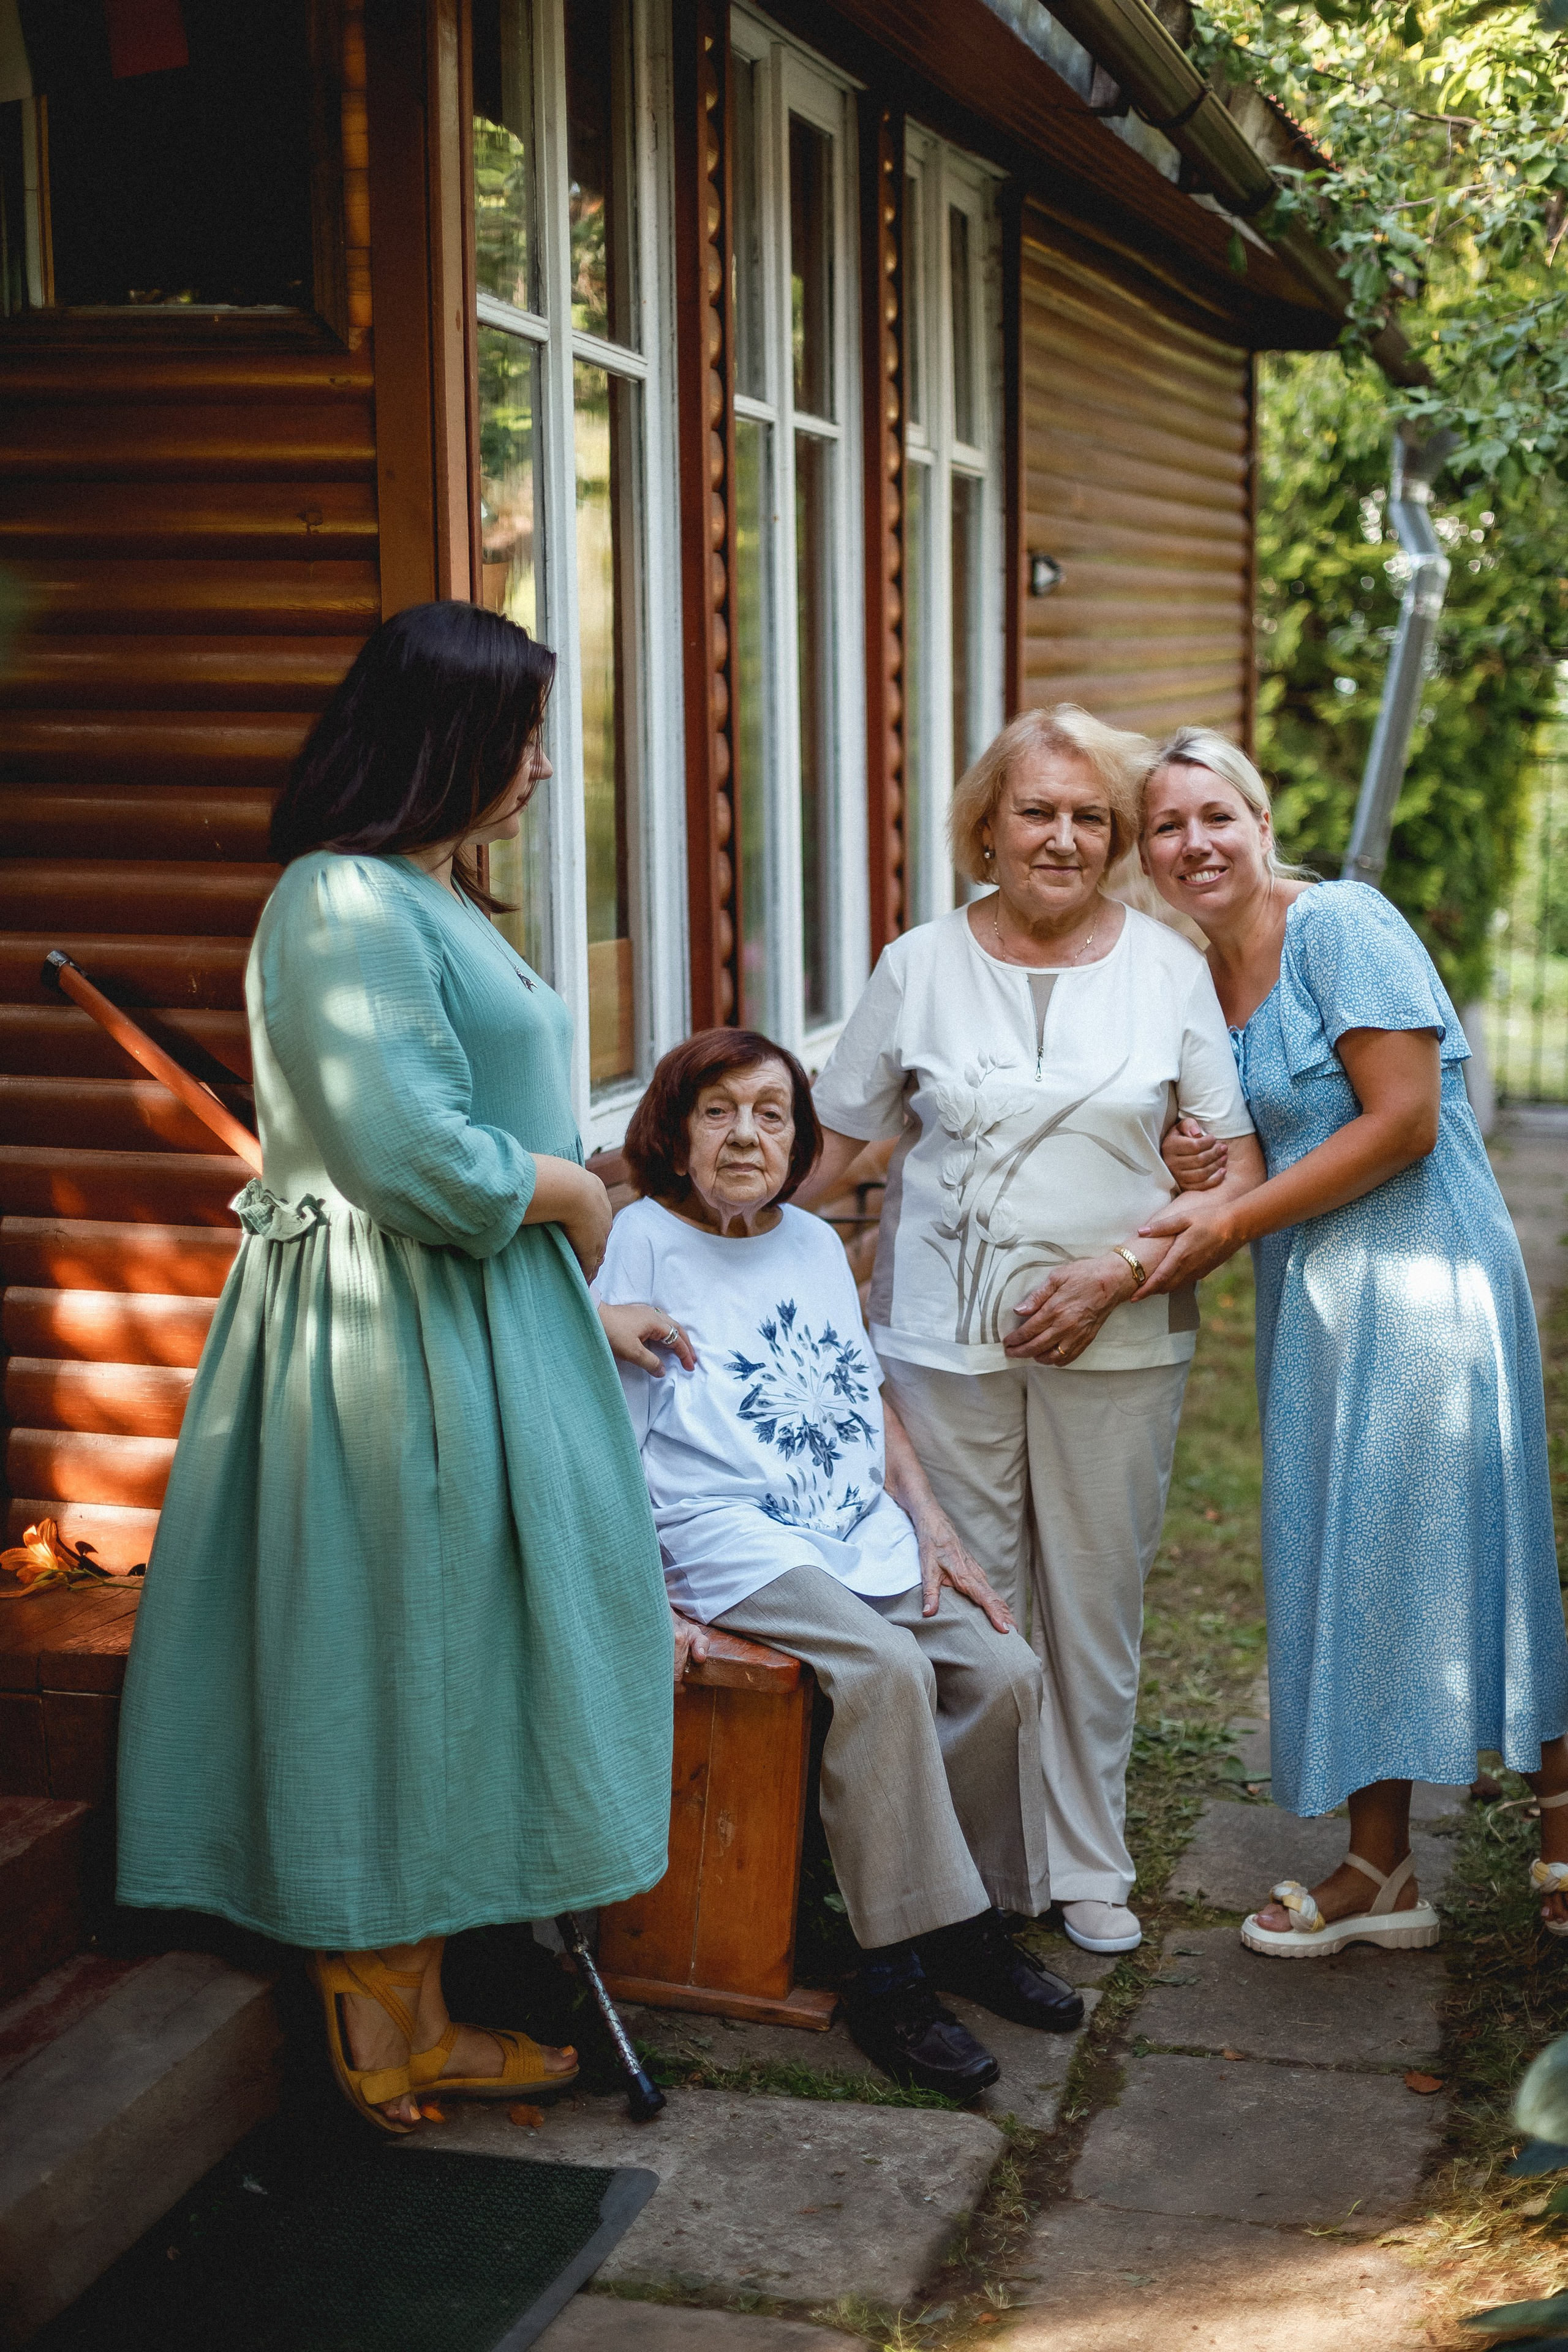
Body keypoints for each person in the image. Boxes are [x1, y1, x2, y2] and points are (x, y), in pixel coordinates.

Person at [116, 603, 680, 2129]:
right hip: (392, 1336)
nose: (545, 768)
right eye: (519, 739)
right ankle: (382, 2025)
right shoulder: (340, 903)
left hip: (473, 1321)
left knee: (453, 1655)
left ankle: (420, 2011)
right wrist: (576, 1193)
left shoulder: (420, 894)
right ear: (442, 743)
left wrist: (579, 1282)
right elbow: (412, 1158)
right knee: (394, 1651)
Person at [797, 705, 1264, 1957]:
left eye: (1088, 819)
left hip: (1121, 1336)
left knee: (1094, 1610)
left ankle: (1083, 1862)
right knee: (972, 1610)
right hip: (939, 1341)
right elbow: (839, 1135)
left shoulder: (1165, 970)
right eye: (1035, 812)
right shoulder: (917, 965)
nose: (1061, 837)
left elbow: (1228, 1169)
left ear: (1112, 841)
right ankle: (971, 1882)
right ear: (986, 828)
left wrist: (1111, 1275)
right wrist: (715, 1226)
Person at [594, 1027, 1087, 2097]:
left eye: (771, 1115)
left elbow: (867, 1398)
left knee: (1004, 1671)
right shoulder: (639, 1238)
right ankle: (891, 1969)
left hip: (848, 1524)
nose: (746, 1136)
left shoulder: (814, 1245)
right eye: (719, 1111)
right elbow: (612, 1429)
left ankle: (974, 1927)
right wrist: (642, 1594)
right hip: (726, 1533)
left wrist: (933, 1527)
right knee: (884, 1672)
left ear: (799, 1140)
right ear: (675, 1134)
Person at [1139, 726, 1568, 1956]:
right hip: (1317, 1292)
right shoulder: (1196, 981)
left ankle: (1555, 1813)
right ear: (1149, 860)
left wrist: (1223, 1218)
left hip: (1425, 1273)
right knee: (1356, 1550)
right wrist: (1206, 1168)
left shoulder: (1339, 926)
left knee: (1469, 1533)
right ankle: (1379, 1874)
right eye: (1166, 826)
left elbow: (1401, 1124)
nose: (1193, 842)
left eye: (1211, 815)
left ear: (1258, 821)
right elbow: (1260, 1145)